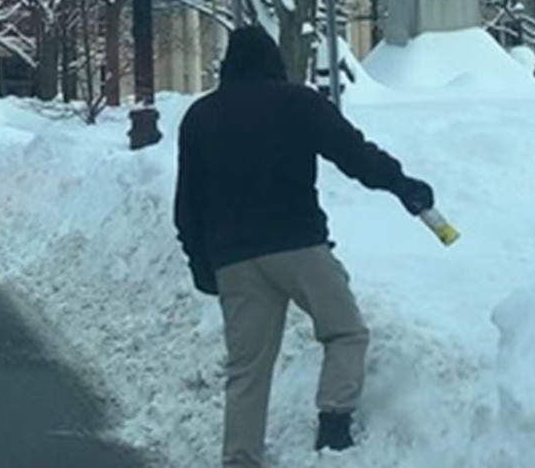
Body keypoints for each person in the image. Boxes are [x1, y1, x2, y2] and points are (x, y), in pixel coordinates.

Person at [175, 25, 434, 466]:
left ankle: (240, 458)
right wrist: (401, 183)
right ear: (273, 62)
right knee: (345, 330)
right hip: (297, 245)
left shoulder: (200, 116)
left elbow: (187, 204)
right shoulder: (296, 102)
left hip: (233, 259)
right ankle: (334, 427)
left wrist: (203, 265)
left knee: (247, 370)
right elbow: (353, 154)